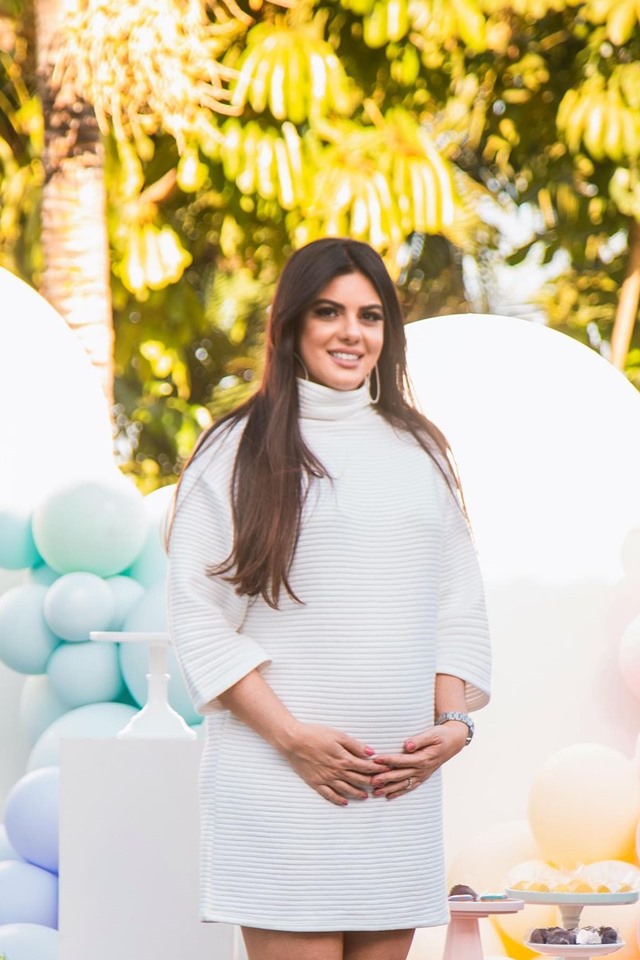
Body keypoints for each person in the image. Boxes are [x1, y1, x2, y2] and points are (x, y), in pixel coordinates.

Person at [167, 237, 491, 960]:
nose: (352, 332)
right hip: (282, 787)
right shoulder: (234, 451)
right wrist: (293, 740)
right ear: (292, 325)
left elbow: (455, 602)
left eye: (370, 316)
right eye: (329, 312)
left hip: (394, 795)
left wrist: (451, 727)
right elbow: (199, 613)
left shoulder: (420, 451)